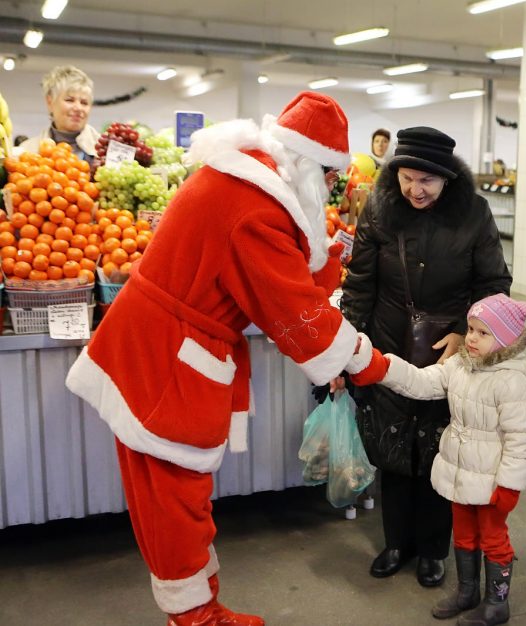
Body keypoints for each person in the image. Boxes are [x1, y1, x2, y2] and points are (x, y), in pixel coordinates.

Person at [65, 92, 386, 626]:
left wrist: (328, 254)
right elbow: (296, 310)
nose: (330, 190)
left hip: (153, 346)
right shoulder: (256, 206)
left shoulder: (250, 178)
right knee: (174, 499)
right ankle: (195, 618)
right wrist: (370, 362)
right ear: (308, 164)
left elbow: (289, 271)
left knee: (168, 494)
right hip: (166, 360)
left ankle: (197, 607)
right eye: (329, 177)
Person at [341, 126, 512, 588]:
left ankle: (434, 549)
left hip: (449, 354)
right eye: (408, 178)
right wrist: (348, 351)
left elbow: (494, 284)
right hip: (388, 343)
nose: (415, 190)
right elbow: (360, 283)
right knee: (392, 445)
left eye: (427, 182)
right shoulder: (379, 207)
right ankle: (397, 542)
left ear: (447, 180)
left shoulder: (473, 213)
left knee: (442, 447)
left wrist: (463, 331)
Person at [355, 293, 526, 626]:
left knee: (493, 538)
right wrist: (383, 368)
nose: (470, 338)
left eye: (483, 333)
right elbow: (424, 382)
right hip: (458, 472)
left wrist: (510, 485)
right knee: (464, 534)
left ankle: (497, 603)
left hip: (492, 481)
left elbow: (520, 440)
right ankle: (467, 592)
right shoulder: (459, 365)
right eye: (470, 329)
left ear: (506, 340)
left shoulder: (512, 383)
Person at [20, 65, 100, 163]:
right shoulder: (28, 150)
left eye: (84, 102)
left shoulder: (106, 149)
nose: (78, 108)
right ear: (50, 102)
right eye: (70, 100)